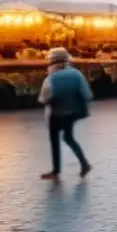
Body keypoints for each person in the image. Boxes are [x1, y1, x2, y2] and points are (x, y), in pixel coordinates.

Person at [37, 47, 93, 180]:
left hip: (56, 114)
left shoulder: (51, 78)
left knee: (55, 141)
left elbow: (44, 99)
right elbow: (87, 94)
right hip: (72, 113)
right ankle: (84, 163)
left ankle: (56, 171)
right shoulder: (77, 74)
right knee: (69, 138)